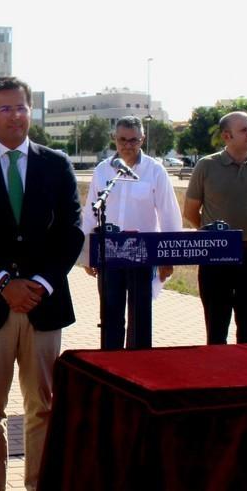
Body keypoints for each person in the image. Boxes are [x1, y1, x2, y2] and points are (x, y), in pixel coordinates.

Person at [0, 76, 83, 491]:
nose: (15, 115)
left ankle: (39, 484)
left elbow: (72, 232)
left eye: (22, 106)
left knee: (42, 406)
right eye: (5, 108)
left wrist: (41, 283)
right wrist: (4, 282)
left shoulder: (56, 164)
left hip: (45, 307)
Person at [78, 116, 182, 349]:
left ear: (142, 139)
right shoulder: (103, 170)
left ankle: (137, 371)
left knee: (141, 321)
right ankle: (110, 371)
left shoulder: (155, 171)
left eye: (133, 140)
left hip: (143, 256)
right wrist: (87, 255)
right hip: (109, 255)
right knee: (110, 319)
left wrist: (168, 259)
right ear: (114, 139)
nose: (127, 145)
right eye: (122, 139)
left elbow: (169, 214)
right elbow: (90, 214)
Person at [183, 111, 247, 344]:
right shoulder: (206, 166)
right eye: (244, 130)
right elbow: (190, 212)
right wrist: (214, 236)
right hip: (216, 257)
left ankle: (246, 377)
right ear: (227, 136)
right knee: (216, 328)